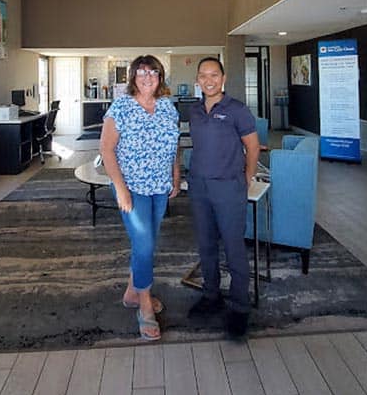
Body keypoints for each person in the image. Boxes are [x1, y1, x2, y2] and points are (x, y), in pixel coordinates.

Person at [99, 55, 181, 341]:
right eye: (142, 72)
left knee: (146, 243)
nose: (148, 77)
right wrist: (120, 189)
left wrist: (175, 174)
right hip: (131, 187)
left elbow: (174, 145)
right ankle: (145, 305)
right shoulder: (121, 106)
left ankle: (132, 292)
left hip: (160, 186)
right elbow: (106, 150)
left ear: (160, 77)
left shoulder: (168, 108)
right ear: (133, 76)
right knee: (144, 244)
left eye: (154, 72)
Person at [187, 57, 259, 338]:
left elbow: (252, 148)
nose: (209, 80)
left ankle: (240, 308)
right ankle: (211, 296)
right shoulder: (193, 110)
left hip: (229, 188)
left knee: (234, 249)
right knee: (206, 247)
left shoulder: (237, 110)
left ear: (223, 78)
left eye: (214, 74)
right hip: (199, 187)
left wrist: (246, 178)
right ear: (197, 80)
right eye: (203, 75)